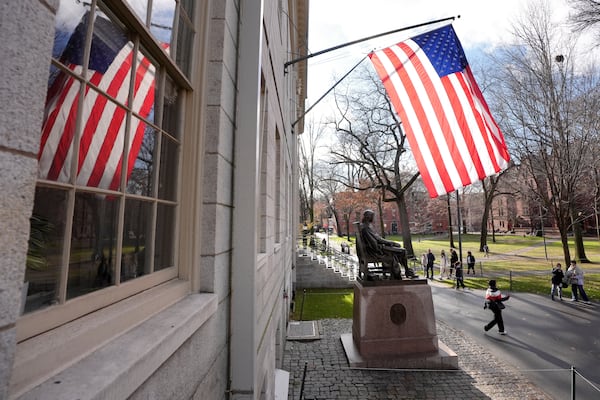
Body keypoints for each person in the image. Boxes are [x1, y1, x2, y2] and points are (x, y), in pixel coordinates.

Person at [359, 209, 412, 279]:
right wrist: (390, 243)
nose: (373, 218)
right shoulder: (366, 228)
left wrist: (390, 243)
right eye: (372, 216)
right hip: (376, 251)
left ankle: (399, 270)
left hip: (374, 249)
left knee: (398, 248)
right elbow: (376, 242)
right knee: (403, 251)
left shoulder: (365, 226)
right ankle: (406, 271)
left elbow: (377, 238)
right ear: (368, 217)